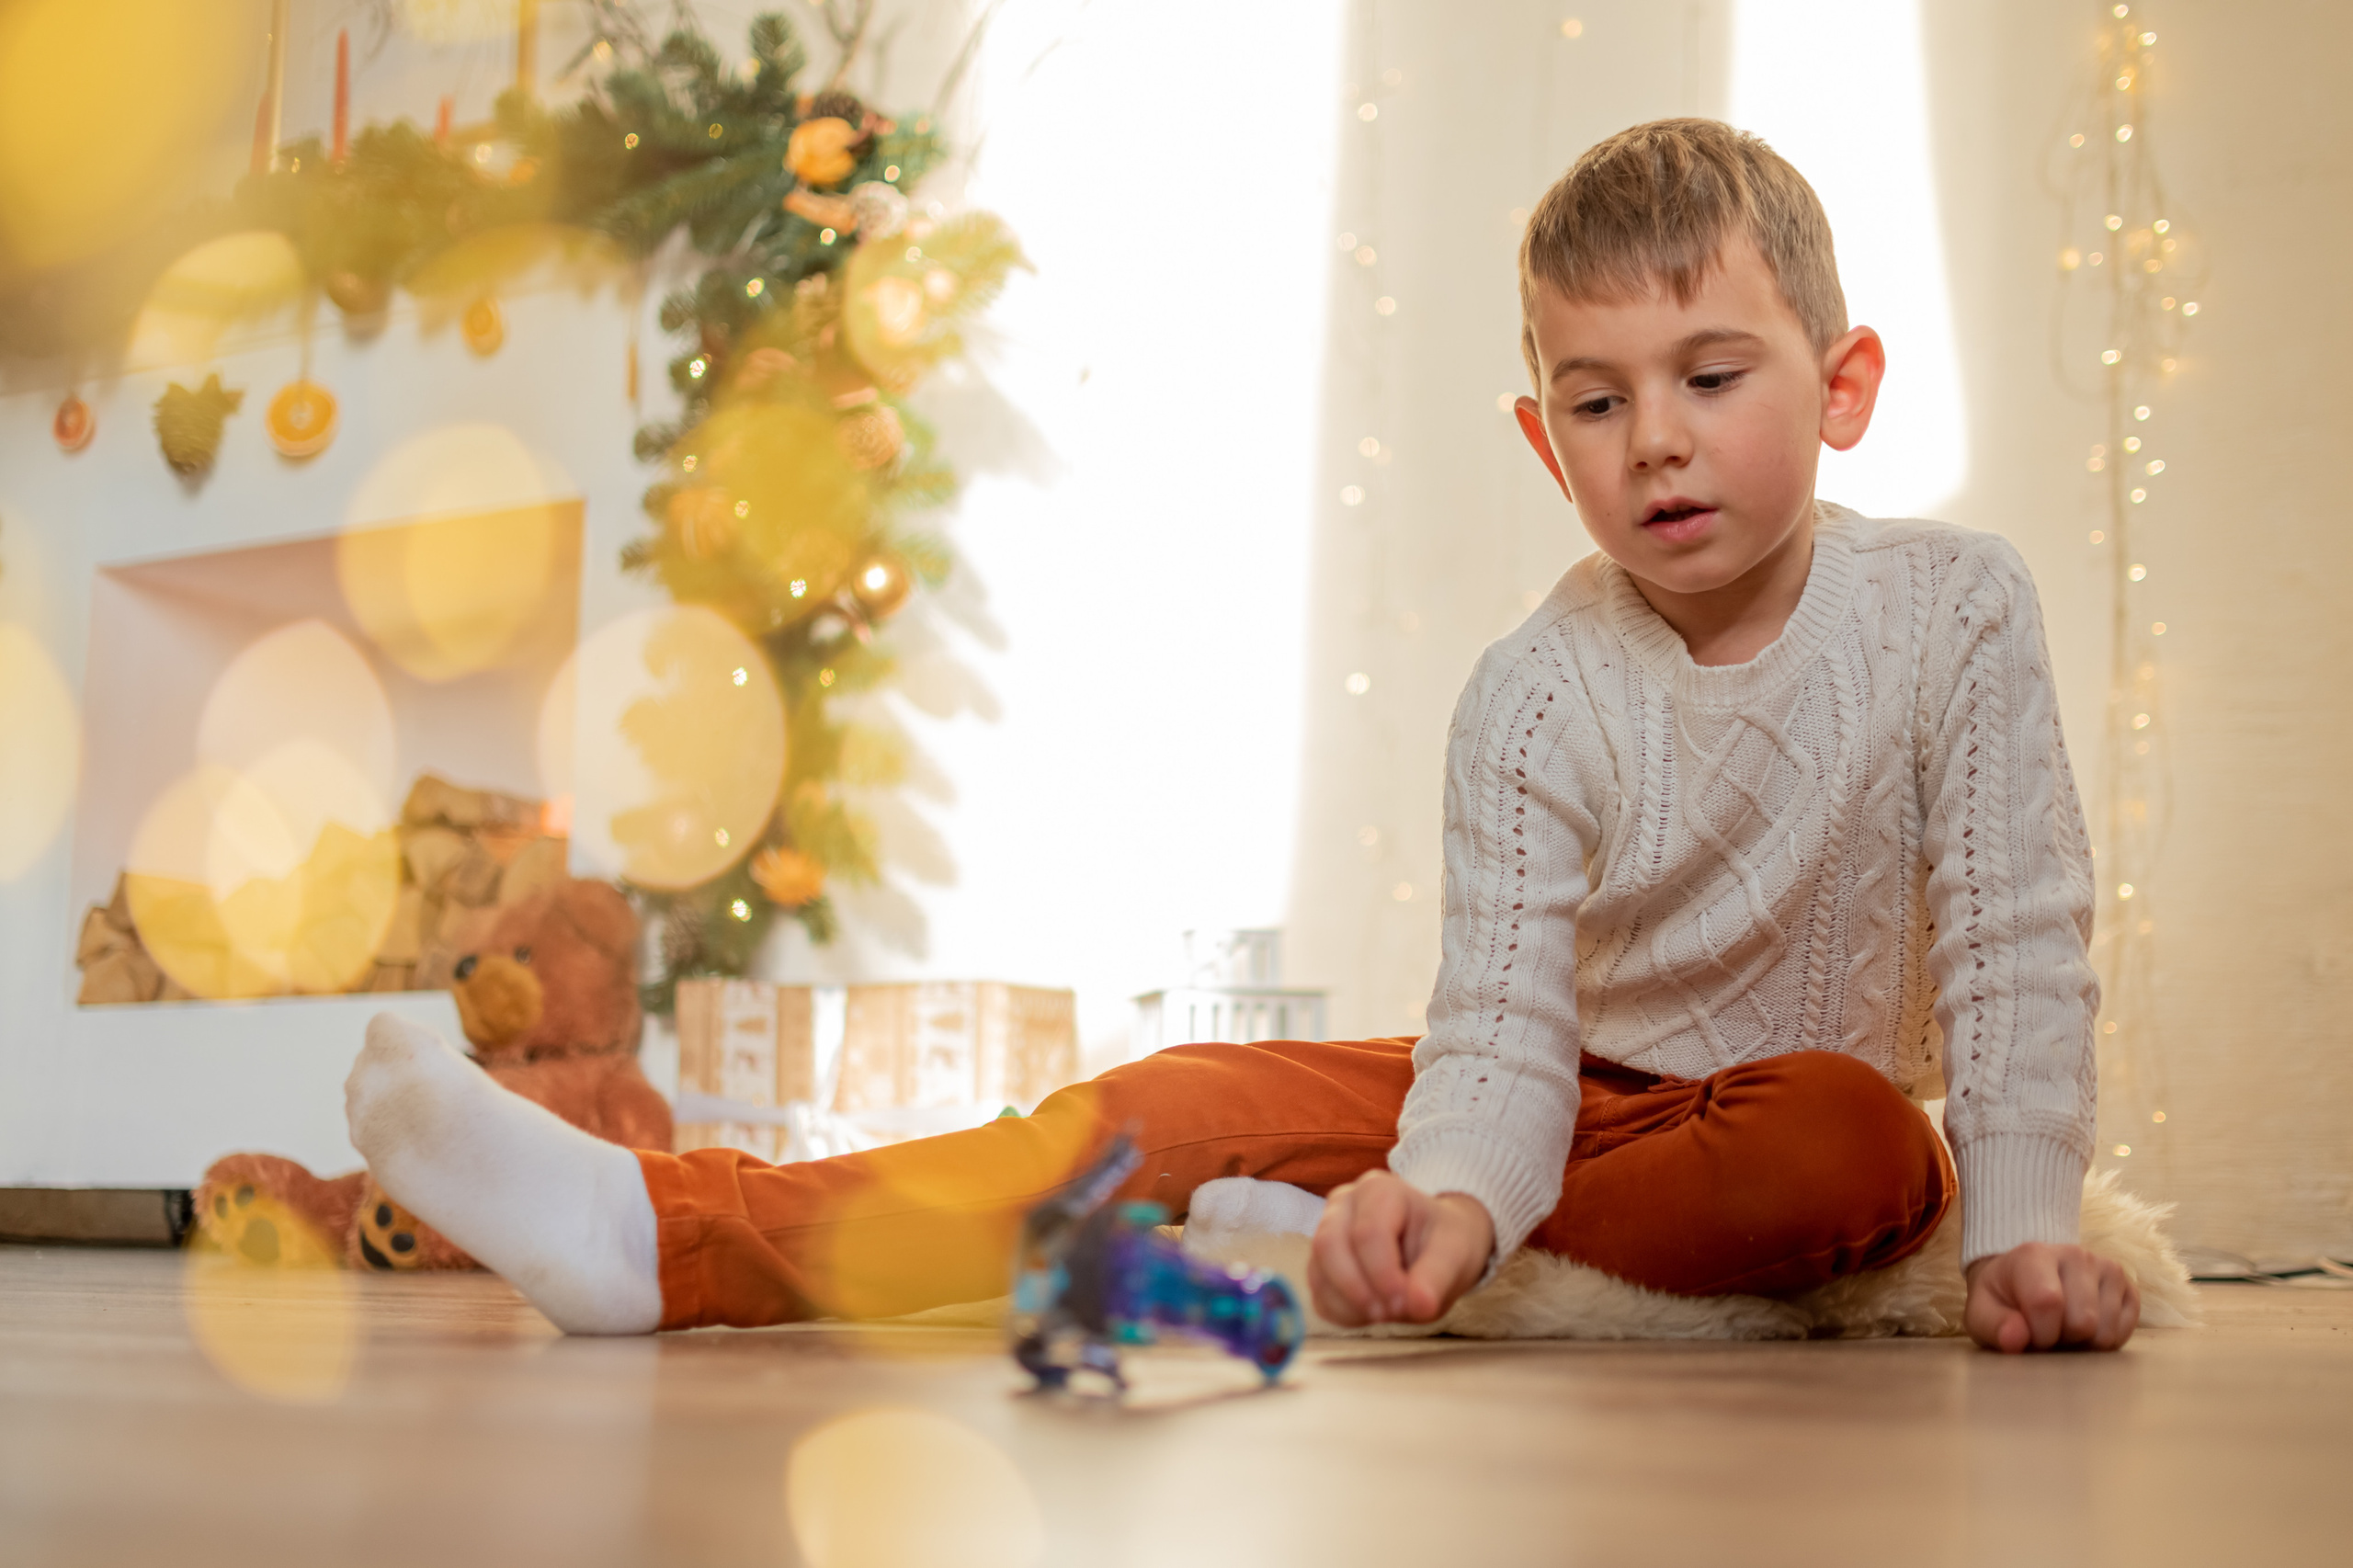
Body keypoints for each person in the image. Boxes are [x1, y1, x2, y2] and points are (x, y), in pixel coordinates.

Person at [346, 118, 2137, 1355]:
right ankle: (659, 1239)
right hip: (1549, 1087)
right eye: (1597, 401)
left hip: (1773, 1114)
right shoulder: (1534, 689)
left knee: (1851, 1148)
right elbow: (1501, 1028)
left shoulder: (1955, 610)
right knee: (1166, 1103)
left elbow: (2010, 934)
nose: (1653, 439)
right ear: (1542, 441)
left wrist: (2024, 1232)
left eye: (1709, 377)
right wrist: (1442, 1184)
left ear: (1840, 388)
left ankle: (1335, 1262)